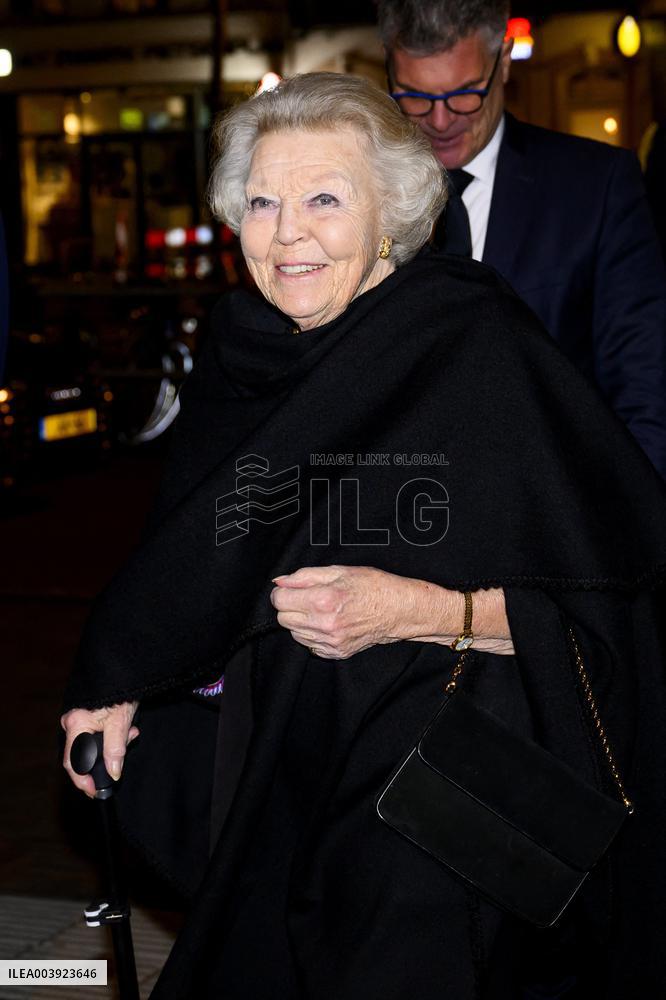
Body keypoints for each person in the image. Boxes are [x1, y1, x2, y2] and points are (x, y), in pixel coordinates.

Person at [61, 73, 666, 999]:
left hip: (431, 806)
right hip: (271, 773)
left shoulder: (472, 344)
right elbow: (195, 557)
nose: (287, 230)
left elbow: (608, 608)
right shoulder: (239, 349)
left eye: (324, 200)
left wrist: (415, 608)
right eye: (262, 201)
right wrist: (120, 680)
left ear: (392, 213)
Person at [378, 0, 666, 478]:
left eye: (465, 94)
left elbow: (646, 391)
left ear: (504, 60)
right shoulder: (360, 199)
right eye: (414, 97)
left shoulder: (597, 188)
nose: (441, 120)